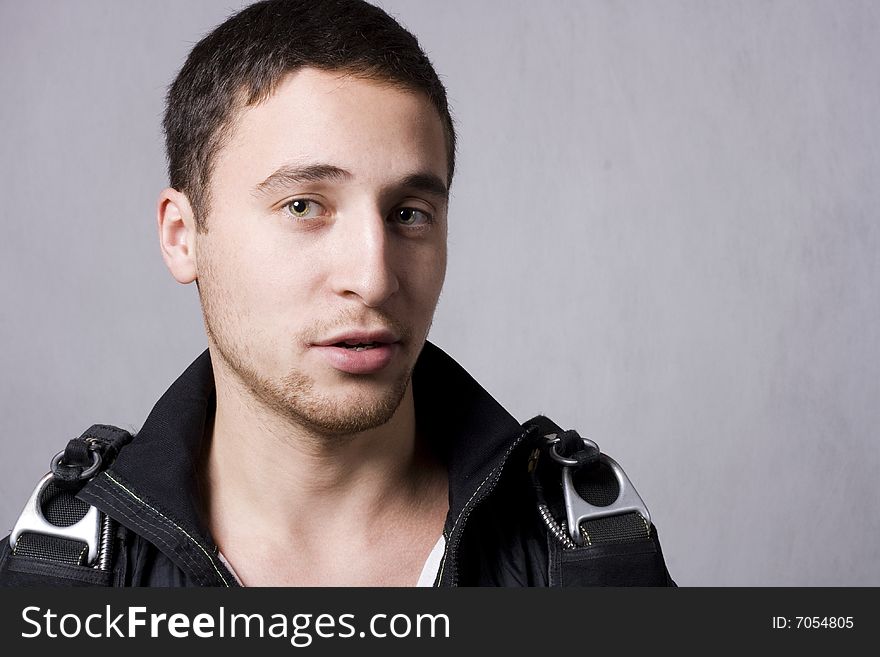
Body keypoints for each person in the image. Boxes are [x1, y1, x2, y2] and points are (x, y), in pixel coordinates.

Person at [0, 0, 673, 587]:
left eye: (409, 213)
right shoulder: (59, 582)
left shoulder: (586, 557)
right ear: (184, 236)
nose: (375, 278)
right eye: (303, 206)